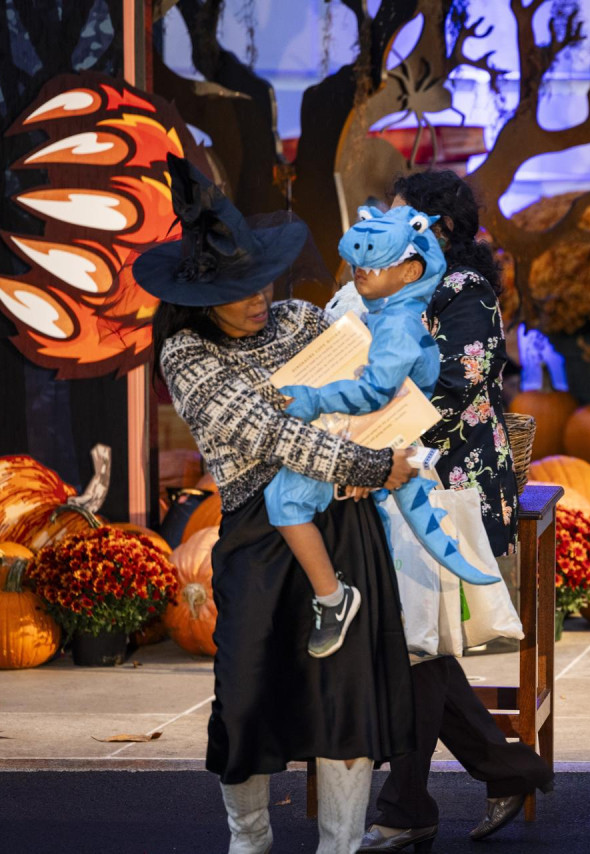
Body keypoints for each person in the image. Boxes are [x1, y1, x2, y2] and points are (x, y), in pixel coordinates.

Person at [135, 155, 416, 854]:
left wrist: (365, 445)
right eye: (238, 289)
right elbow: (271, 434)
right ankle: (249, 841)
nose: (258, 296)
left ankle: (340, 848)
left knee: (343, 694)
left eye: (261, 278)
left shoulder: (299, 318)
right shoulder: (186, 355)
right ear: (202, 296)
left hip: (342, 527)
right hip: (257, 538)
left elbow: (370, 394)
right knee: (246, 692)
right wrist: (369, 461)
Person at [357, 170, 552, 853]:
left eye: (400, 220)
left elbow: (454, 385)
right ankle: (499, 773)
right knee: (417, 646)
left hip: (453, 493)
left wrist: (372, 416)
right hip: (396, 484)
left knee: (414, 645)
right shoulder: (388, 294)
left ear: (435, 230)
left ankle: (407, 807)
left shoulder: (464, 292)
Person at [263, 203, 497, 660]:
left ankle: (334, 600)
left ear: (411, 271)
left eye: (374, 265)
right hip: (379, 439)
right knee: (375, 532)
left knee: (285, 500)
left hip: (381, 437)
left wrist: (310, 398)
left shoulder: (398, 325)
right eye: (357, 265)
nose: (359, 273)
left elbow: (373, 391)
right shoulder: (387, 315)